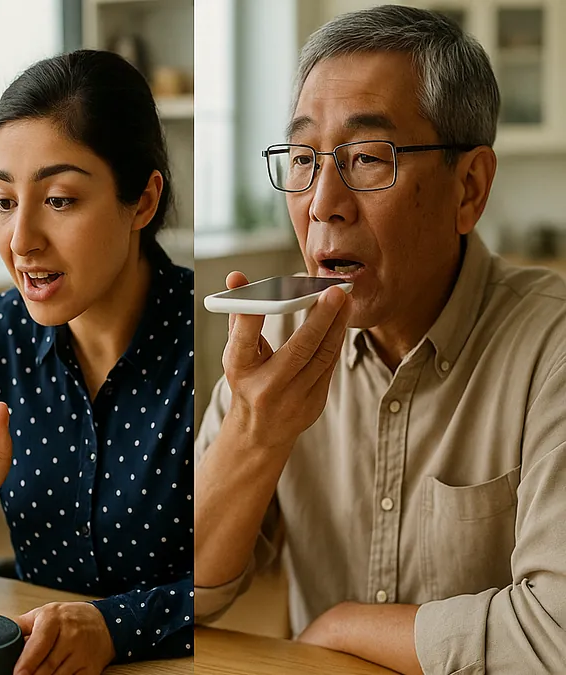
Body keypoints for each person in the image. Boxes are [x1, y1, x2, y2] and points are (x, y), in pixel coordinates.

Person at [194, 6, 566, 674]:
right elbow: (173, 589)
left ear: (469, 188)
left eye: (367, 158)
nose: (322, 201)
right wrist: (254, 431)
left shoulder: (551, 348)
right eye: (304, 159)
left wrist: (346, 625)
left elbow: (557, 634)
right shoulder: (279, 337)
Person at [0, 50, 194, 673]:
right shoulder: (4, 329)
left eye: (59, 200)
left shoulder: (213, 340)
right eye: (3, 200)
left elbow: (254, 580)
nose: (21, 238)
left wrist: (113, 627)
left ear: (142, 201)